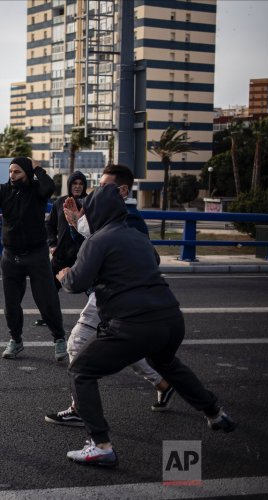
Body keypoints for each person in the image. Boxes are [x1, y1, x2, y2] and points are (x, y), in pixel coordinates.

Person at [57, 183, 237, 467]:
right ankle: (215, 413)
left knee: (81, 370)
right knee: (166, 362)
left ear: (96, 212)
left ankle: (100, 444)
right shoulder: (138, 237)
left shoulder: (97, 241)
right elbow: (150, 260)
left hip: (133, 324)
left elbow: (77, 282)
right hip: (170, 319)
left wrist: (64, 274)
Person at [45, 165, 174, 427]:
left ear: (123, 190)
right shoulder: (107, 212)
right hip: (109, 292)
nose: (96, 191)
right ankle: (163, 383)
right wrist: (77, 221)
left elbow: (121, 249)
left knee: (77, 343)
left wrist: (69, 274)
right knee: (123, 343)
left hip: (118, 291)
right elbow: (101, 240)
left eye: (104, 186)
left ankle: (81, 410)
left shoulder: (131, 218)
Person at [0, 157, 67, 361]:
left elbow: (49, 188)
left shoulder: (37, 189)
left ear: (27, 172)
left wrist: (37, 168)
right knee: (11, 304)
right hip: (10, 256)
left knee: (46, 300)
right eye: (10, 171)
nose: (12, 175)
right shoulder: (3, 190)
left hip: (36, 255)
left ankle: (59, 339)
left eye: (17, 172)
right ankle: (16, 340)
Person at [32, 171, 88, 328]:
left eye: (80, 184)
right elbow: (49, 226)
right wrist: (52, 244)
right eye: (74, 184)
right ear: (69, 185)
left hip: (82, 253)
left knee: (90, 287)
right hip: (61, 253)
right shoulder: (60, 202)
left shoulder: (89, 203)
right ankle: (48, 316)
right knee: (50, 287)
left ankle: (98, 316)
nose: (77, 187)